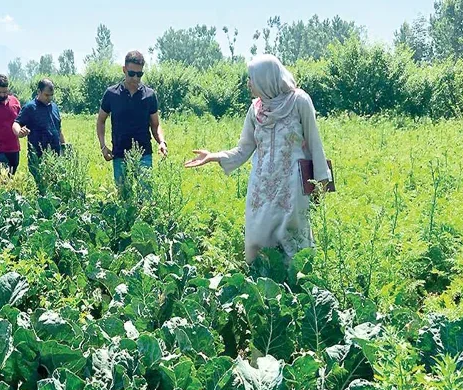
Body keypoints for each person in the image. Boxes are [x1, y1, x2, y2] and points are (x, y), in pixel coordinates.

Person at [184, 54, 331, 264]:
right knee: (257, 237)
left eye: (252, 78)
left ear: (266, 78)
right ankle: (259, 281)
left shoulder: (299, 101)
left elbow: (315, 143)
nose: (248, 83)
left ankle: (294, 287)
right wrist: (214, 156)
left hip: (292, 186)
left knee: (291, 241)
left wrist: (321, 183)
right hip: (261, 188)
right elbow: (244, 149)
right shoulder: (255, 110)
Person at [96, 50, 167, 193]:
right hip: (120, 154)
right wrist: (103, 146)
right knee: (123, 198)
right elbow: (101, 121)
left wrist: (161, 142)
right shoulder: (111, 94)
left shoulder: (149, 95)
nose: (136, 78)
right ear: (124, 70)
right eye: (131, 74)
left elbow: (156, 125)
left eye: (139, 74)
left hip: (144, 154)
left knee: (146, 197)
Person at [13, 78, 68, 189]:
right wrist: (19, 132)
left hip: (54, 156)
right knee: (42, 188)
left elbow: (58, 129)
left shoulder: (54, 107)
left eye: (51, 95)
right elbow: (16, 123)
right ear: (39, 92)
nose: (49, 98)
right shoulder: (30, 107)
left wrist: (64, 146)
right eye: (46, 95)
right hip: (38, 157)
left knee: (55, 187)